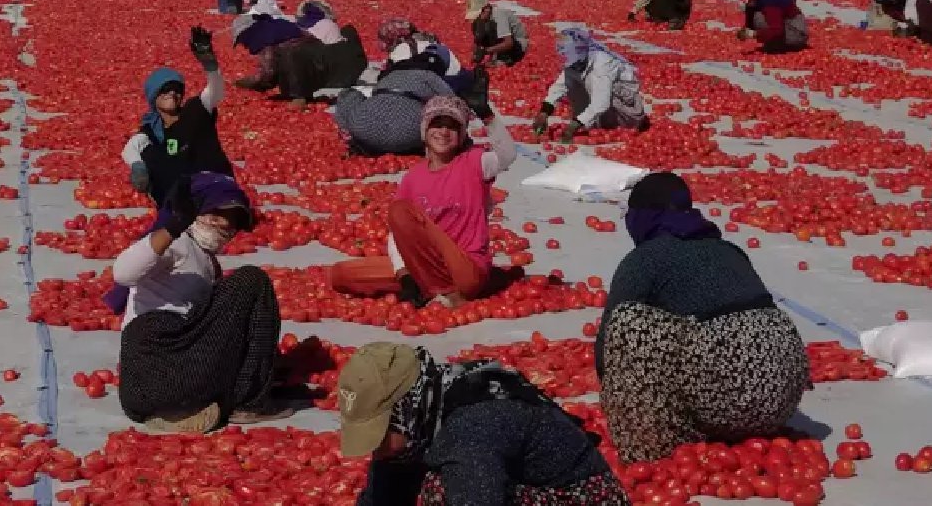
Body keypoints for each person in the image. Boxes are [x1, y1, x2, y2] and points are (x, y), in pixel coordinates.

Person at [595, 172, 809, 463]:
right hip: (782, 400)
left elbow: (607, 341)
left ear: (643, 217)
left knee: (627, 321)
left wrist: (616, 397)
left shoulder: (646, 258)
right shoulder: (728, 249)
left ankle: (650, 446)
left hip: (727, 401)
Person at [338, 342, 629, 506]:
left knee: (436, 492)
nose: (372, 450)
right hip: (520, 488)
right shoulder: (422, 418)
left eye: (377, 434)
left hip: (588, 499)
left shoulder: (469, 427)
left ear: (405, 410)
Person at [112, 172, 291, 432]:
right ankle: (248, 402)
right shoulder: (176, 244)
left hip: (151, 386)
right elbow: (124, 273)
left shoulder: (207, 262)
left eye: (231, 221)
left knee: (237, 302)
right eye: (215, 213)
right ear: (193, 211)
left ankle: (182, 407)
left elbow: (218, 329)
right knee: (252, 281)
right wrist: (174, 226)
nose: (223, 225)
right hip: (156, 360)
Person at [330, 93, 515, 306]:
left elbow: (507, 155)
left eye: (452, 127)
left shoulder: (473, 163)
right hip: (428, 266)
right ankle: (432, 288)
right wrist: (404, 275)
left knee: (400, 211)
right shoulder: (413, 178)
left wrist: (487, 116)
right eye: (437, 124)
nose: (444, 132)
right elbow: (398, 233)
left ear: (462, 135)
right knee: (340, 274)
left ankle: (449, 293)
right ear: (424, 132)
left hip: (465, 268)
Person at [121, 27, 231, 205]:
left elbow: (215, 92)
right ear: (153, 97)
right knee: (148, 152)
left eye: (177, 89)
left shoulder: (195, 111)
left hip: (213, 189)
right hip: (178, 202)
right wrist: (137, 166)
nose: (172, 93)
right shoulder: (151, 130)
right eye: (164, 89)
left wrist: (210, 65)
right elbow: (131, 147)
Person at [234, 6, 368, 110]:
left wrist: (251, 84)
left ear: (247, 32)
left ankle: (299, 97)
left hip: (316, 65)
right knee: (290, 54)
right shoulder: (278, 24)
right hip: (330, 60)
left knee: (289, 54)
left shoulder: (261, 37)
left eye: (241, 40)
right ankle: (300, 93)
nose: (244, 45)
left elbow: (269, 72)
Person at [531, 27, 649, 142]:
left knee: (603, 90)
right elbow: (559, 87)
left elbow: (601, 103)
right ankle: (592, 123)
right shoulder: (576, 62)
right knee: (571, 82)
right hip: (605, 107)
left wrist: (574, 125)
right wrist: (544, 113)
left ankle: (616, 126)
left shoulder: (602, 64)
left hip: (627, 112)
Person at [379, 17, 474, 95]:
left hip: (443, 87)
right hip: (457, 82)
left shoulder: (403, 48)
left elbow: (399, 77)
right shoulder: (426, 38)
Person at [736, 0, 808, 54]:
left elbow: (777, 29)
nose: (746, 2)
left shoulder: (769, 3)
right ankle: (776, 43)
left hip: (797, 33)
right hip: (789, 25)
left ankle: (779, 45)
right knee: (757, 16)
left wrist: (752, 34)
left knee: (758, 18)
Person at [465, 0, 528, 67]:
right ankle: (496, 58)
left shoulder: (498, 15)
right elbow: (478, 39)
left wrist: (485, 51)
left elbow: (508, 43)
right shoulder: (483, 18)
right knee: (477, 25)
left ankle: (505, 60)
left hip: (517, 46)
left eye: (478, 14)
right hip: (500, 42)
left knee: (492, 26)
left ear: (487, 9)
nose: (478, 17)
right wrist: (476, 54)